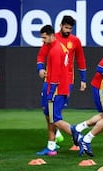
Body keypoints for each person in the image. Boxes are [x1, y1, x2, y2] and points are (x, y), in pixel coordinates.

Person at [36, 16, 87, 155]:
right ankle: (53, 141)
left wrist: (83, 79)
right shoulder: (52, 41)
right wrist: (41, 68)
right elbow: (41, 56)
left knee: (54, 115)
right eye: (66, 27)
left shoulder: (71, 42)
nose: (68, 30)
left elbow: (80, 60)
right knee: (47, 112)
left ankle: (70, 137)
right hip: (51, 81)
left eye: (70, 28)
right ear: (60, 25)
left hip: (61, 82)